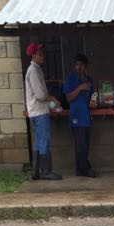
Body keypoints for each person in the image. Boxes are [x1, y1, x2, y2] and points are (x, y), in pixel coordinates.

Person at [24, 42, 61, 180]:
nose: (42, 56)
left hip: (36, 111)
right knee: (44, 140)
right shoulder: (33, 71)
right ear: (33, 55)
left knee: (39, 142)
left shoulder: (35, 69)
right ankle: (46, 171)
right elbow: (40, 95)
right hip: (39, 112)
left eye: (42, 54)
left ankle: (36, 171)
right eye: (40, 54)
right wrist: (52, 98)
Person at [63, 53, 96, 177]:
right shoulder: (71, 78)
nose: (78, 67)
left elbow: (93, 95)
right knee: (80, 143)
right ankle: (85, 168)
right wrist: (80, 88)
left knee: (85, 143)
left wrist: (93, 101)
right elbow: (68, 98)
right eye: (76, 65)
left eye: (81, 65)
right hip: (76, 116)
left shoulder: (89, 80)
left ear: (85, 66)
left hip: (86, 115)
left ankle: (80, 169)